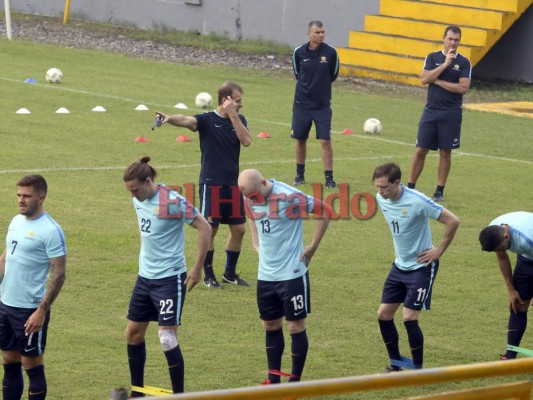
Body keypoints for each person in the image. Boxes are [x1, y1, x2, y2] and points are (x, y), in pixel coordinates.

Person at [123, 156, 211, 396]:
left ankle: (179, 394)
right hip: (145, 278)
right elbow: (144, 228)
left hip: (170, 279)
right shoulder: (138, 199)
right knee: (132, 333)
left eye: (135, 190)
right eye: (129, 191)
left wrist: (196, 267)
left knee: (167, 338)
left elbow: (205, 227)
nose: (133, 196)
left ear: (149, 181)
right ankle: (137, 391)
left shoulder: (172, 202)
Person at [238, 168, 331, 384]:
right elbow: (250, 213)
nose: (252, 200)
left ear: (263, 182)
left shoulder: (290, 197)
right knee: (270, 326)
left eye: (254, 196)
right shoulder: (249, 197)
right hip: (266, 276)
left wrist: (313, 246)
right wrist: (254, 241)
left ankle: (294, 382)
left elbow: (325, 211)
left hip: (292, 275)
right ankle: (273, 379)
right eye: (248, 197)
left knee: (295, 326)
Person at [156, 81, 252, 289]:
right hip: (212, 184)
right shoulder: (207, 120)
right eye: (237, 101)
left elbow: (246, 141)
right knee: (212, 229)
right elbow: (187, 120)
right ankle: (209, 275)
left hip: (232, 184)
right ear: (225, 101)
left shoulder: (239, 119)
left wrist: (233, 114)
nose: (241, 105)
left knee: (239, 229)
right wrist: (170, 119)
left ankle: (229, 274)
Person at [373, 162, 460, 371]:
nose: (381, 192)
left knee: (409, 317)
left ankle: (418, 368)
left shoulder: (418, 201)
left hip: (422, 267)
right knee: (383, 315)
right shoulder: (380, 198)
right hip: (399, 266)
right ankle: (396, 363)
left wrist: (438, 250)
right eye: (377, 187)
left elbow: (453, 221)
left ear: (397, 182)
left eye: (384, 187)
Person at [0, 174, 67, 400]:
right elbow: (5, 258)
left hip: (29, 310)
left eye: (26, 196)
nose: (21, 200)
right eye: (19, 195)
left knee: (32, 364)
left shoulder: (50, 231)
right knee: (9, 361)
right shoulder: (15, 221)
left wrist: (42, 310)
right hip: (6, 305)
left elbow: (59, 274)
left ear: (41, 197)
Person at [407, 25, 471, 202]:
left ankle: (439, 191)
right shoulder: (433, 57)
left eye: (456, 39)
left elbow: (463, 88)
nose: (453, 42)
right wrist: (445, 65)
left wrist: (439, 81)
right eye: (450, 39)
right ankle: (410, 187)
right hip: (431, 111)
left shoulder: (464, 62)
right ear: (443, 38)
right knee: (420, 150)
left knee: (445, 152)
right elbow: (424, 79)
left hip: (451, 113)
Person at [291, 20, 339, 189]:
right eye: (317, 32)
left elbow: (333, 74)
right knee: (300, 139)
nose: (320, 35)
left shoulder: (331, 53)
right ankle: (299, 175)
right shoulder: (298, 52)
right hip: (301, 105)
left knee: (325, 141)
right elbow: (298, 74)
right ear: (309, 34)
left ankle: (329, 178)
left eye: (322, 32)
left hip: (322, 106)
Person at [479, 212, 533, 360]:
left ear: (507, 237)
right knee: (518, 305)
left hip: (530, 247)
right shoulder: (494, 230)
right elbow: (501, 257)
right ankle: (510, 356)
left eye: (500, 247)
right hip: (527, 258)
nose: (500, 251)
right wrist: (511, 290)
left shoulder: (528, 237)